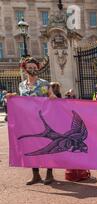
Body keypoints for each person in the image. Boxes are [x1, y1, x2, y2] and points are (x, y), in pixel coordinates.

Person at [15, 57, 57, 185]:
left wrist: (53, 97)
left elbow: (51, 96)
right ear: (25, 69)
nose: (32, 70)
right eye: (29, 68)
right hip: (28, 122)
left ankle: (49, 174)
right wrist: (11, 97)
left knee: (47, 146)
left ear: (37, 68)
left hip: (44, 121)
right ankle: (36, 175)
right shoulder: (21, 85)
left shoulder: (44, 84)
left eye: (34, 67)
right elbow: (20, 101)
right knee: (31, 147)